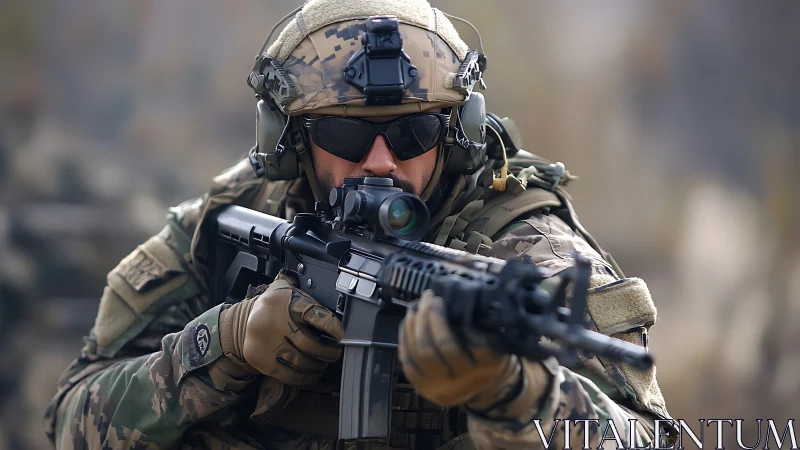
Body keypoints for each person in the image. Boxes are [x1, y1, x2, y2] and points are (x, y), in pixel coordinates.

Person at [45, 0, 673, 448]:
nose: (380, 162)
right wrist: (221, 345)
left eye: (413, 132)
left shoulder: (533, 256)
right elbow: (70, 421)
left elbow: (647, 440)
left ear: (457, 135)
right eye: (345, 135)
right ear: (289, 141)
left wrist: (517, 394)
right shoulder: (240, 214)